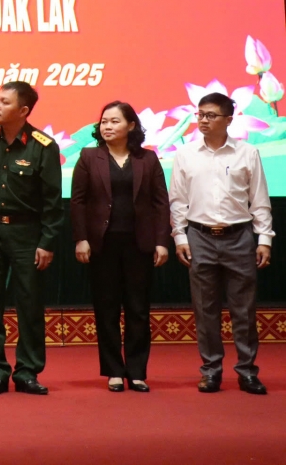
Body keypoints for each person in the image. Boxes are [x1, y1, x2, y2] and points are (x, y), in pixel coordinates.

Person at [0, 81, 62, 395]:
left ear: (23, 110)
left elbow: (52, 202)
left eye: (5, 102)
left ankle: (27, 371)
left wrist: (47, 242)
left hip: (26, 233)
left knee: (29, 303)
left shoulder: (43, 146)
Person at [170, 91, 274, 394]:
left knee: (244, 309)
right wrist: (179, 236)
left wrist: (264, 239)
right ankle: (211, 371)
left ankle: (247, 371)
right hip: (199, 236)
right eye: (200, 115)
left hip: (239, 237)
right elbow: (178, 201)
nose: (203, 120)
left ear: (229, 120)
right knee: (205, 310)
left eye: (210, 115)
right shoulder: (185, 154)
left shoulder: (247, 153)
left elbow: (259, 200)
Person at [70, 101, 170, 392]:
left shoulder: (147, 159)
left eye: (115, 121)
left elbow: (160, 202)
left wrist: (162, 241)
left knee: (138, 309)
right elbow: (78, 201)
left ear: (131, 126)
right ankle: (114, 370)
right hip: (102, 244)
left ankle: (136, 371)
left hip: (139, 243)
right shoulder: (89, 157)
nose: (107, 126)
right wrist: (81, 238)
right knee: (107, 308)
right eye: (104, 121)